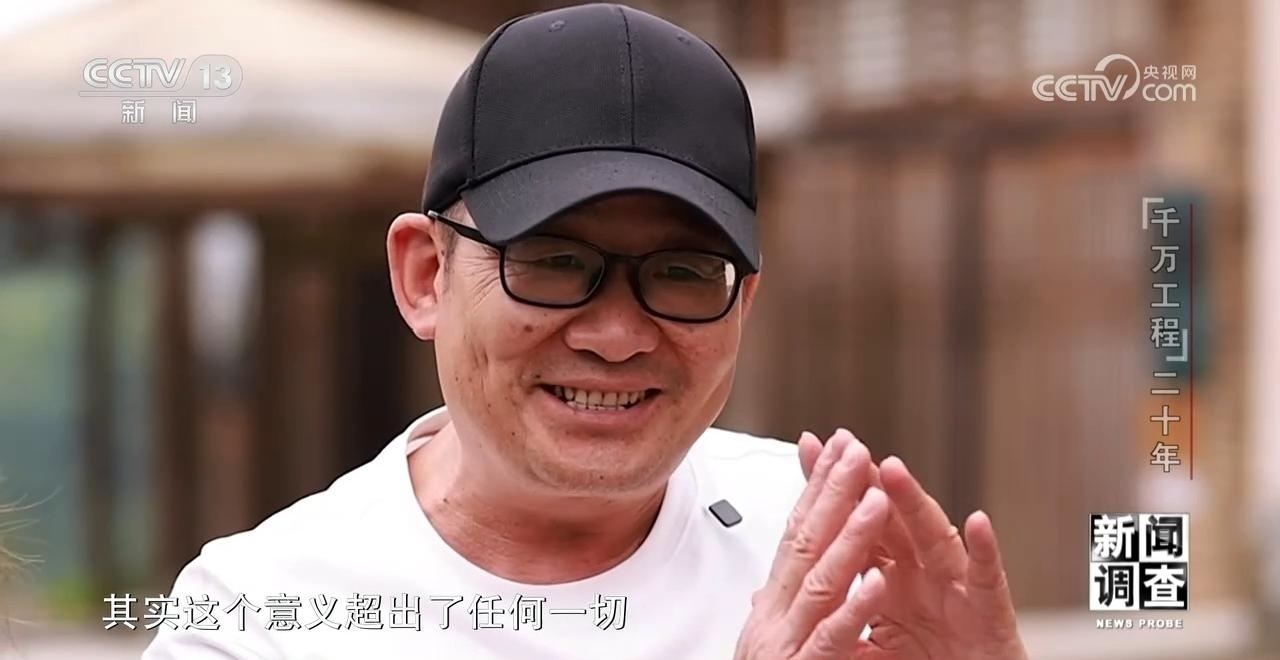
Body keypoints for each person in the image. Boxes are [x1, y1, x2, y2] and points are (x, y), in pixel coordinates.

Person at [145, 4, 1028, 658]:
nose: (616, 335)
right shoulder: (260, 616)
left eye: (681, 273)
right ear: (424, 276)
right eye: (554, 262)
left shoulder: (848, 559)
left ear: (744, 303)